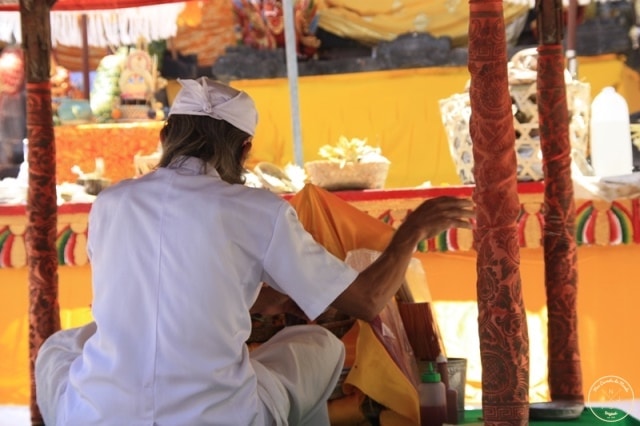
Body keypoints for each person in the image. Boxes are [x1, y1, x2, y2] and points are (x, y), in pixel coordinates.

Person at [35, 76, 475, 425]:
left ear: (167, 134)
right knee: (320, 345)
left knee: (58, 348)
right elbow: (367, 301)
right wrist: (413, 228)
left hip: (98, 416)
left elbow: (164, 287)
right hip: (220, 417)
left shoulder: (111, 202)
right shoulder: (256, 209)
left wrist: (259, 297)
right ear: (245, 149)